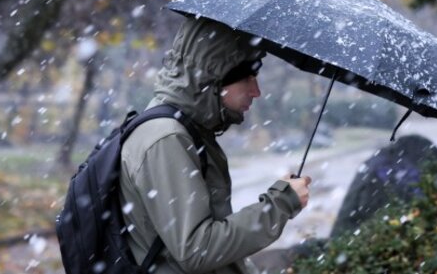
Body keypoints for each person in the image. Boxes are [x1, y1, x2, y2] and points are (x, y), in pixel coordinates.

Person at [119, 16, 312, 273]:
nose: (256, 91)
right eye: (247, 78)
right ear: (215, 76)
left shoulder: (187, 129)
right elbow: (197, 250)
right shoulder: (167, 138)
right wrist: (280, 204)